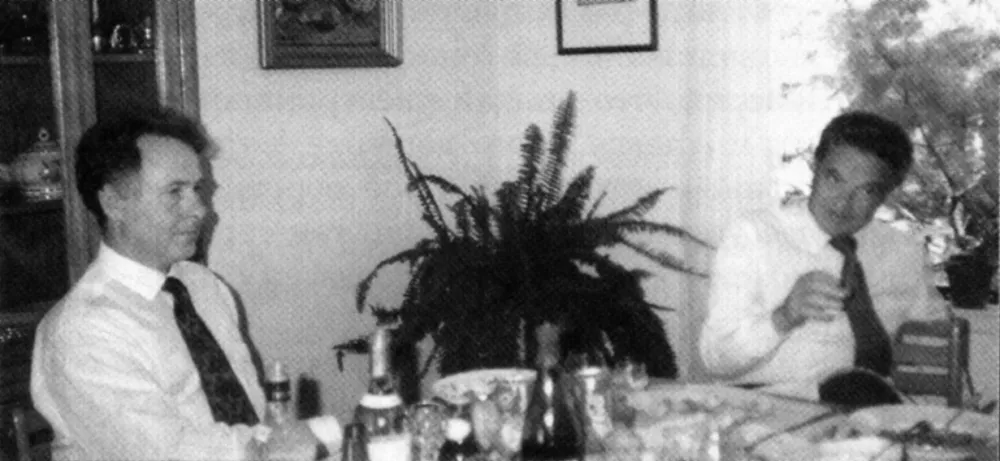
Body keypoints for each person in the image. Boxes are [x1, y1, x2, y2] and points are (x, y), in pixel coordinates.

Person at [30, 108, 330, 460]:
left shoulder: (202, 285)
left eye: (197, 189)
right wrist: (304, 440)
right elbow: (164, 454)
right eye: (175, 192)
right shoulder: (83, 330)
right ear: (113, 203)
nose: (200, 210)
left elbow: (255, 411)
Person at [698, 111, 948, 400]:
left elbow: (934, 349)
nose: (843, 202)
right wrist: (784, 316)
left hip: (873, 409)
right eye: (834, 178)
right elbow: (715, 360)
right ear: (815, 167)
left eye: (866, 191)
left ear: (886, 195)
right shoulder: (754, 236)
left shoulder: (904, 252)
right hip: (771, 404)